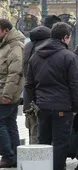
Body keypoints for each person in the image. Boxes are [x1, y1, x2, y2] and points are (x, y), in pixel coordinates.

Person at [25, 22, 78, 170]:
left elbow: (29, 84)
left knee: (43, 144)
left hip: (42, 107)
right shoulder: (69, 56)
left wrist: (32, 104)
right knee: (60, 145)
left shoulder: (36, 56)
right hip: (62, 108)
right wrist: (76, 106)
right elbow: (75, 84)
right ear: (65, 38)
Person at [23, 15, 61, 145]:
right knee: (47, 137)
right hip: (47, 99)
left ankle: (34, 163)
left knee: (33, 132)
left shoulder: (28, 46)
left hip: (30, 98)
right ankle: (48, 164)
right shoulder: (50, 46)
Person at [0, 19, 24, 168]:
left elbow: (14, 74)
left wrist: (7, 95)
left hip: (6, 94)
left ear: (5, 31)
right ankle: (14, 155)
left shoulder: (14, 47)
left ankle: (8, 156)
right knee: (10, 123)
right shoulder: (6, 46)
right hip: (5, 92)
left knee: (2, 123)